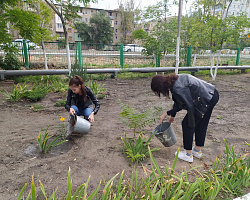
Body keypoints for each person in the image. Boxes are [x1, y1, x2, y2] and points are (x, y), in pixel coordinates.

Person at [151, 73, 219, 162]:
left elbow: (188, 105)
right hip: (212, 94)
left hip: (205, 98)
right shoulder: (174, 80)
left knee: (187, 124)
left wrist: (166, 113)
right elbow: (178, 100)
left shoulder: (177, 88)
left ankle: (188, 154)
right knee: (202, 123)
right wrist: (172, 115)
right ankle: (197, 151)